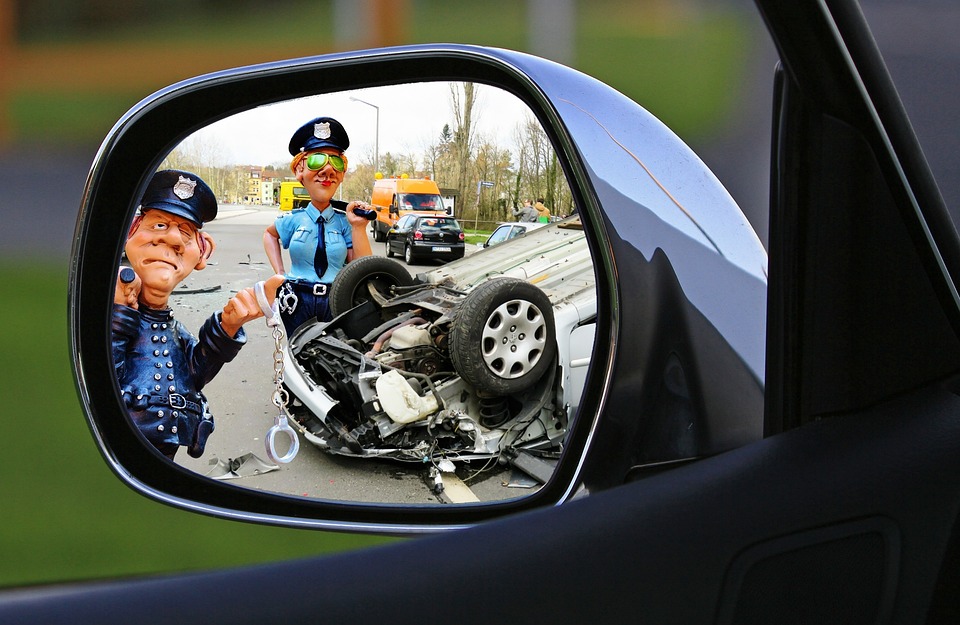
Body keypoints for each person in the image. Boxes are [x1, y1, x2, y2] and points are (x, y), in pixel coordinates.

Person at [113, 169, 284, 460]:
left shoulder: (174, 331)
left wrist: (229, 325)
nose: (172, 239)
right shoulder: (117, 316)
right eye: (159, 225)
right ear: (130, 232)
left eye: (185, 233)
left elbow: (195, 371)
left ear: (203, 253)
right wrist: (119, 316)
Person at [263, 116, 373, 335]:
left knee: (335, 349)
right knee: (298, 348)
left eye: (336, 162)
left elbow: (361, 267)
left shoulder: (344, 222)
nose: (327, 171)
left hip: (336, 298)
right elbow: (269, 234)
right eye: (317, 161)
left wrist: (359, 227)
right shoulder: (293, 219)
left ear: (342, 174)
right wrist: (280, 273)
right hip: (296, 298)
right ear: (299, 170)